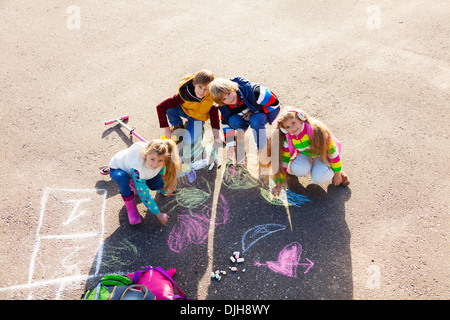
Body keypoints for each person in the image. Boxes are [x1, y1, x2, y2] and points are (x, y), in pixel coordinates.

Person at [271, 108, 350, 196]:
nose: (292, 128)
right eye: (288, 127)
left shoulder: (317, 131)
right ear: (284, 130)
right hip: (306, 154)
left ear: (301, 119)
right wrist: (278, 184)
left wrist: (337, 174)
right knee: (296, 169)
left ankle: (332, 170)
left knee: (319, 177)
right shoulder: (289, 138)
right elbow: (284, 159)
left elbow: (333, 153)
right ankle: (310, 166)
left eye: (293, 123)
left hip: (322, 155)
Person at [209, 77, 280, 166]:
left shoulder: (254, 92)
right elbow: (226, 124)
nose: (229, 99)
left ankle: (264, 151)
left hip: (261, 114)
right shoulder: (224, 106)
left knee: (255, 120)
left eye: (228, 93)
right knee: (232, 120)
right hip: (244, 116)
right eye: (224, 99)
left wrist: (254, 112)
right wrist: (230, 146)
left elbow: (275, 103)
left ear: (233, 87)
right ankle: (240, 134)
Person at [108, 139, 181, 226]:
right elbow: (144, 194)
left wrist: (163, 189)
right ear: (146, 155)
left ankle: (134, 181)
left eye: (160, 161)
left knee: (157, 183)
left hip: (139, 172)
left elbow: (161, 175)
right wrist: (158, 214)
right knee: (123, 178)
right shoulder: (137, 168)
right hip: (118, 168)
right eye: (152, 159)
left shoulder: (160, 159)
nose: (155, 164)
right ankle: (131, 209)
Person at [155, 70, 222, 162]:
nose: (202, 91)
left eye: (206, 89)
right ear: (194, 83)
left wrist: (217, 136)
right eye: (200, 87)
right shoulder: (184, 93)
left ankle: (197, 129)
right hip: (184, 110)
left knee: (190, 141)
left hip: (198, 118)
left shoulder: (211, 98)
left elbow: (214, 116)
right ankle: (177, 125)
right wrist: (166, 129)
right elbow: (160, 107)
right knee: (168, 105)